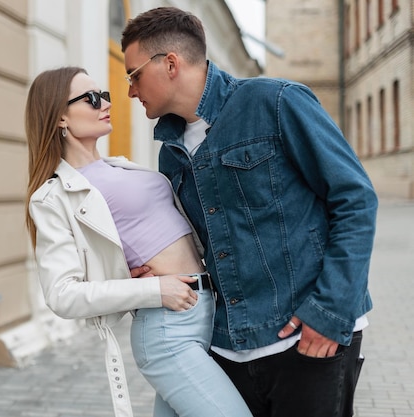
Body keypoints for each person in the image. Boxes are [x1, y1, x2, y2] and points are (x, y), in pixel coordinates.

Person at [121, 6, 378, 417]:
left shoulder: (275, 102)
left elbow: (355, 200)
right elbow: (195, 241)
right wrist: (153, 267)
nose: (131, 90)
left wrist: (330, 313)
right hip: (227, 347)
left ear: (170, 63)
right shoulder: (170, 153)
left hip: (306, 339)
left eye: (133, 74)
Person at [25, 67, 252, 417]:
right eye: (90, 98)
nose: (105, 103)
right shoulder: (54, 197)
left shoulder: (124, 168)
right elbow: (62, 295)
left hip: (211, 313)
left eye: (104, 95)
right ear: (59, 118)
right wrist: (154, 290)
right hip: (167, 328)